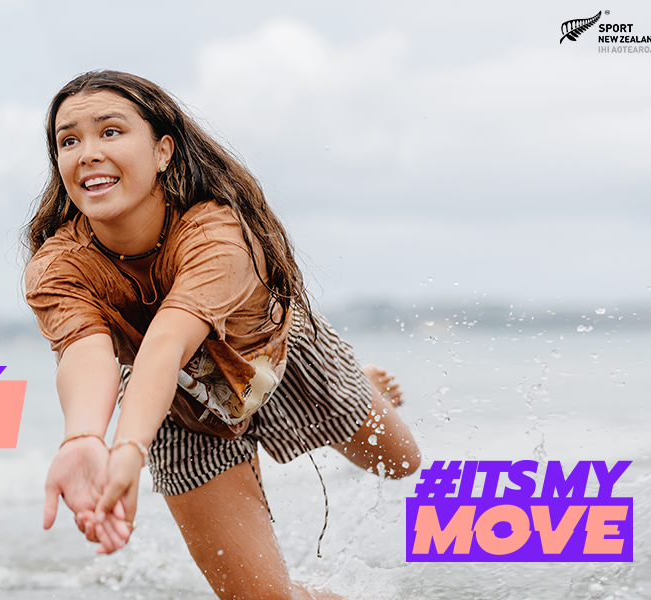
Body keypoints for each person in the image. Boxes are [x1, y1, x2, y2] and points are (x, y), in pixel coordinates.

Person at [23, 70, 421, 600]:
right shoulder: (59, 266)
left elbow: (166, 342)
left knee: (399, 464)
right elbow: (87, 355)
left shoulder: (217, 231)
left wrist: (128, 450)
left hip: (273, 358)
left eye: (110, 131)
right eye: (68, 140)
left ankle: (359, 385)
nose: (87, 152)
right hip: (175, 406)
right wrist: (84, 438)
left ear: (163, 150)